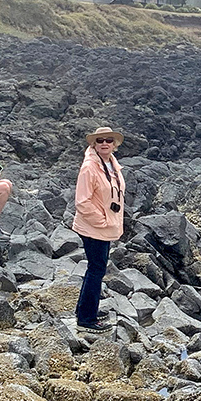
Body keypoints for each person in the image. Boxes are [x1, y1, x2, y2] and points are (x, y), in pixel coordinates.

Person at [73, 126, 126, 333]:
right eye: (100, 140)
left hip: (104, 226)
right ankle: (87, 319)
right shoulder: (89, 167)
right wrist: (102, 221)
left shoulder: (111, 164)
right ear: (93, 144)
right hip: (94, 227)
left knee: (95, 268)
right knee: (96, 269)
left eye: (109, 140)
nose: (105, 143)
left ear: (115, 145)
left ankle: (85, 310)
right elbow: (82, 202)